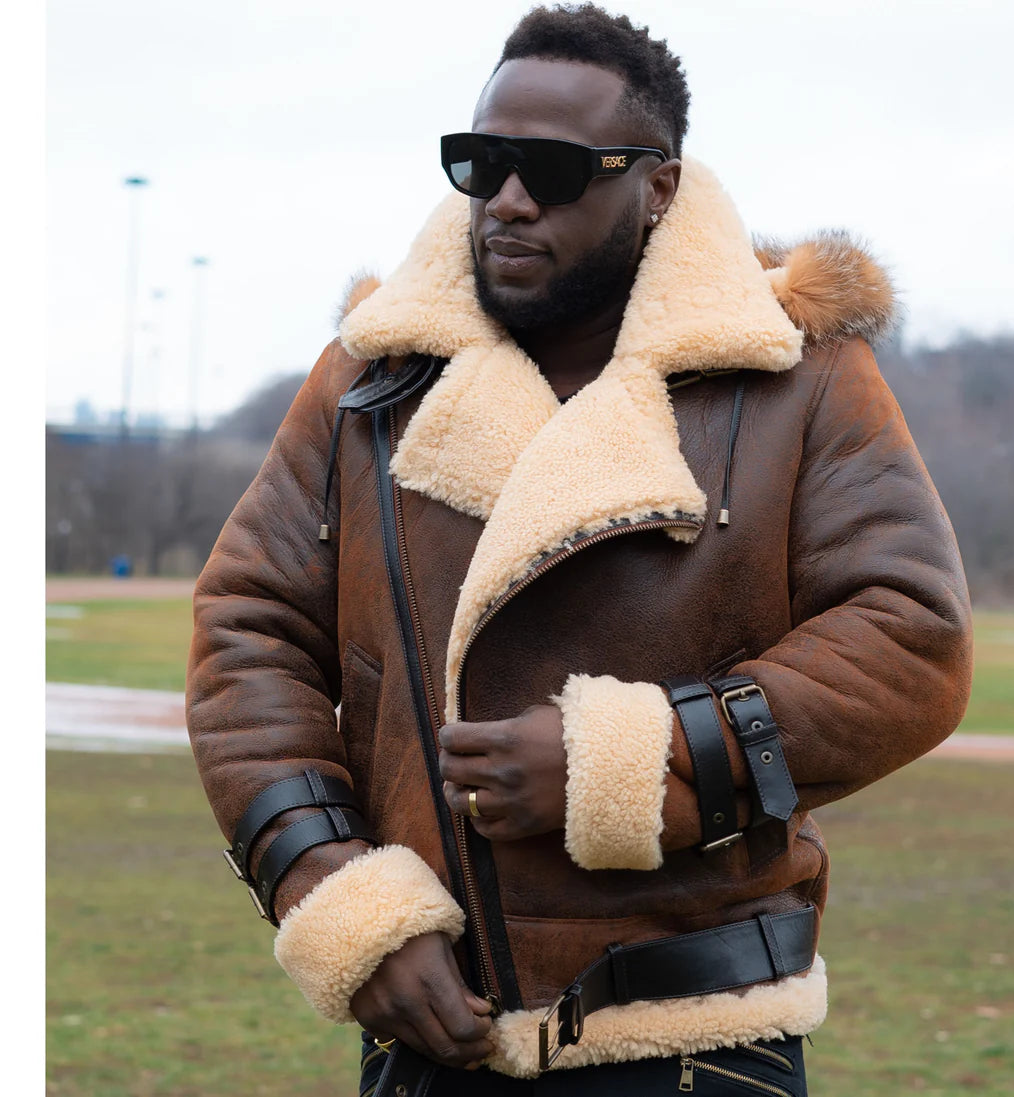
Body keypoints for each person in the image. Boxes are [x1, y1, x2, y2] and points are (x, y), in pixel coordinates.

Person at [186, 5, 973, 1094]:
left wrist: (634, 757)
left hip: (700, 1048)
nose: (507, 198)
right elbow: (247, 629)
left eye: (552, 170)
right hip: (429, 1042)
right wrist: (337, 892)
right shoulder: (368, 381)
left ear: (655, 186)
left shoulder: (801, 375)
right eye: (483, 162)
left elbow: (911, 640)